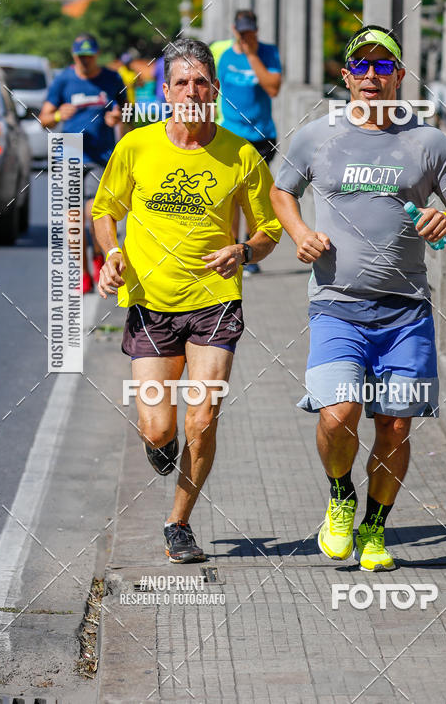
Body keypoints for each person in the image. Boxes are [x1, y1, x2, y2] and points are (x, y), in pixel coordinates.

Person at [270, 25, 446, 572]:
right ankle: (341, 495)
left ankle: (375, 529)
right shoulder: (316, 136)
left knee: (396, 425)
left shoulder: (429, 142)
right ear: (346, 75)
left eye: (384, 66)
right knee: (338, 414)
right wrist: (298, 234)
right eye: (362, 65)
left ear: (400, 75)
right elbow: (282, 190)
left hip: (406, 310)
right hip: (336, 304)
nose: (372, 76)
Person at [92, 38, 282, 564]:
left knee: (203, 416)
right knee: (158, 428)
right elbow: (104, 210)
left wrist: (243, 250)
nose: (192, 91)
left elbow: (270, 229)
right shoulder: (137, 147)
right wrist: (112, 254)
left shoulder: (242, 155)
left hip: (215, 303)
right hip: (151, 304)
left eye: (201, 82)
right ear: (166, 91)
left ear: (215, 90)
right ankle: (162, 444)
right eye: (182, 82)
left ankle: (178, 523)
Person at [40, 34, 126, 293]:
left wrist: (117, 118)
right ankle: (84, 273)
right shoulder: (63, 80)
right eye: (81, 57)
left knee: (93, 214)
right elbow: (44, 119)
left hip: (101, 156)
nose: (85, 61)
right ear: (74, 55)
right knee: (73, 221)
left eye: (89, 56)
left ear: (97, 54)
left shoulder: (112, 79)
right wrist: (58, 114)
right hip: (70, 151)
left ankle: (99, 257)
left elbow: (128, 114)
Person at [217, 9, 282, 275]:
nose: (245, 36)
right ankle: (231, 248)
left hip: (262, 136)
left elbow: (273, 87)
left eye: (249, 32)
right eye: (241, 32)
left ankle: (250, 251)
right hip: (232, 134)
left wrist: (252, 56)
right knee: (231, 194)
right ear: (234, 30)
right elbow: (215, 91)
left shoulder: (268, 53)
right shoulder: (225, 57)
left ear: (256, 30)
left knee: (254, 197)